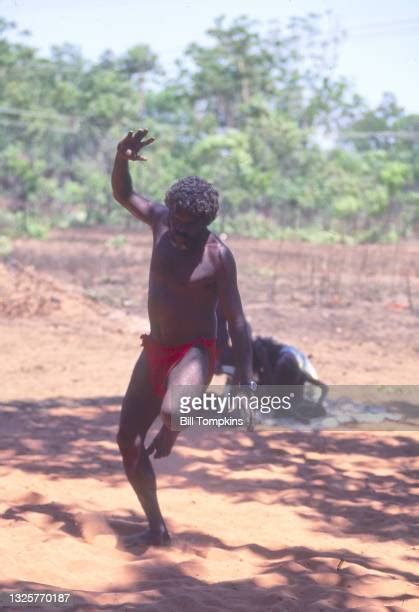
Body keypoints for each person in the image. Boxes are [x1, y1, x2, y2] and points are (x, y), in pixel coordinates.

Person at [111, 129, 254, 546]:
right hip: (156, 348)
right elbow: (124, 194)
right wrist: (122, 158)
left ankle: (173, 426)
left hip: (196, 352)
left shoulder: (218, 257)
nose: (179, 231)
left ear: (206, 224)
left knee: (176, 408)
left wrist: (243, 375)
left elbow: (237, 321)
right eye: (176, 220)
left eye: (189, 228)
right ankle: (156, 527)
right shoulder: (160, 221)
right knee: (127, 441)